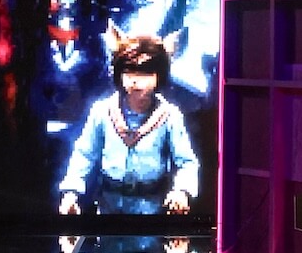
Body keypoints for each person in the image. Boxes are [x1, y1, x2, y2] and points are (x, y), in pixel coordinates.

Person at [58, 28, 198, 219]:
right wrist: (70, 193)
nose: (136, 81)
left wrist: (181, 191)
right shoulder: (102, 111)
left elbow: (187, 162)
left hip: (151, 210)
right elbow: (84, 155)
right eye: (129, 72)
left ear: (159, 75)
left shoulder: (170, 116)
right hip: (108, 208)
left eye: (146, 73)